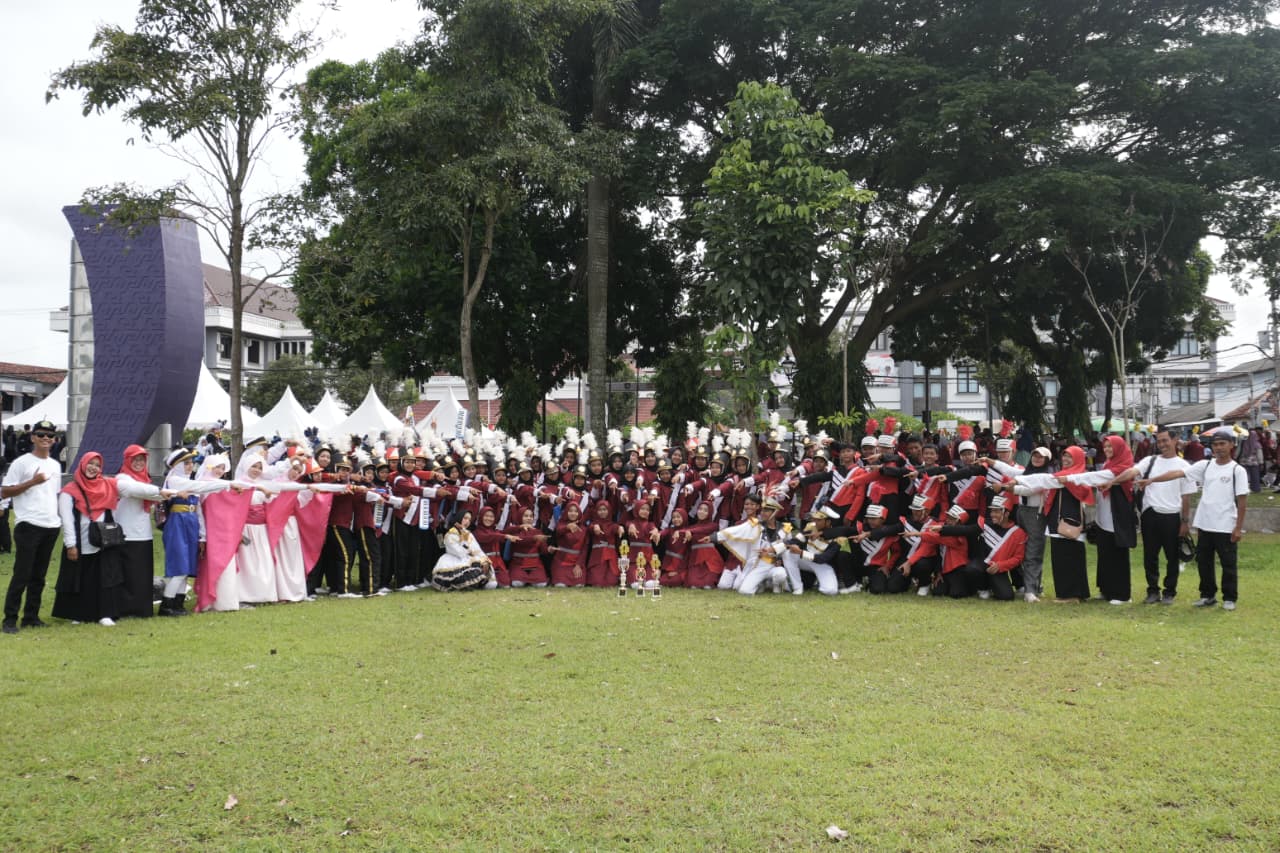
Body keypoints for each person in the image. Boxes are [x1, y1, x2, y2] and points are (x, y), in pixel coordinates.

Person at [1141, 427, 1248, 610]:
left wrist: (1238, 528)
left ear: (1231, 445)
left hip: (1225, 524)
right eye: (1215, 444)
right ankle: (1207, 595)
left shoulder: (1237, 470)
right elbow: (1177, 473)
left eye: (1222, 444)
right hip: (1205, 524)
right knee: (1204, 563)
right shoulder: (1205, 465)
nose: (1219, 448)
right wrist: (1152, 480)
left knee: (1228, 563)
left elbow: (1242, 501)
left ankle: (1229, 598)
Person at [1, 419, 63, 633]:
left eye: (50, 435)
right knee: (22, 573)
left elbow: (55, 495)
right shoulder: (21, 463)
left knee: (39, 575)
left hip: (51, 524)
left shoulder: (55, 465)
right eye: (41, 434)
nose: (46, 438)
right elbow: (5, 491)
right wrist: (32, 482)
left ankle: (31, 616)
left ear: (55, 440)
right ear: (33, 437)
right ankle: (10, 619)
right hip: (28, 524)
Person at [50, 452, 125, 626]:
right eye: (90, 463)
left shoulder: (106, 486)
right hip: (80, 543)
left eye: (97, 465)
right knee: (79, 578)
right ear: (83, 464)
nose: (93, 468)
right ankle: (78, 614)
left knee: (104, 577)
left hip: (103, 542)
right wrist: (71, 545)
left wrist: (161, 492)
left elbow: (127, 494)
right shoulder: (70, 491)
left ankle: (105, 613)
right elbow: (67, 520)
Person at [1132, 429, 1195, 604]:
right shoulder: (1149, 461)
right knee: (1150, 555)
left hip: (1172, 516)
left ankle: (1169, 592)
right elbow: (1133, 471)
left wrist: (1185, 521)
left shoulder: (1184, 466)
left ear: (1175, 440)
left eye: (1165, 440)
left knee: (1172, 556)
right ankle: (1152, 590)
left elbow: (1186, 497)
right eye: (1159, 441)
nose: (1162, 444)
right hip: (1150, 514)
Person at [114, 445, 170, 617]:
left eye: (142, 460)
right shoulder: (122, 478)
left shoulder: (145, 479)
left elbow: (151, 493)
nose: (139, 463)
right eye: (135, 459)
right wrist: (163, 492)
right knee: (128, 573)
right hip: (126, 534)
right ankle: (125, 609)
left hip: (143, 534)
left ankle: (141, 609)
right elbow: (137, 490)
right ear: (127, 460)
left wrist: (165, 493)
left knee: (142, 574)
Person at [431, 509, 497, 590]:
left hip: (468, 558)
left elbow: (477, 549)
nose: (467, 521)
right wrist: (464, 539)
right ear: (459, 518)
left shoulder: (468, 534)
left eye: (469, 519)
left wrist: (485, 560)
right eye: (465, 518)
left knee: (491, 581)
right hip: (453, 560)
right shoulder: (451, 534)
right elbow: (459, 552)